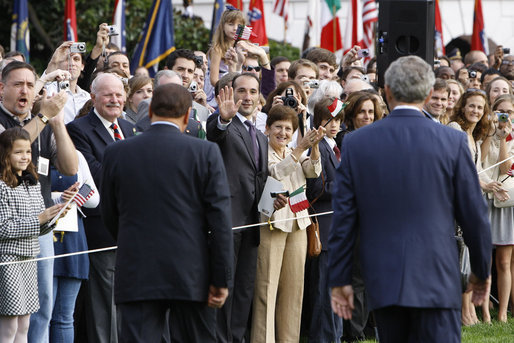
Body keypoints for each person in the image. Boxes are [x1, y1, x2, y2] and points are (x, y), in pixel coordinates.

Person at [329, 56, 492, 343]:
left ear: (387, 91)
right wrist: (481, 271)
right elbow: (473, 214)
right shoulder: (451, 141)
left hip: (384, 276)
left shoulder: (357, 142)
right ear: (429, 94)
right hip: (437, 275)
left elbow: (343, 219)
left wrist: (340, 279)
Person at [100, 83, 234, 342]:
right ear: (187, 116)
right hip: (193, 273)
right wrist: (221, 279)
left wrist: (133, 243)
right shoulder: (205, 151)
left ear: (149, 111)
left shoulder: (116, 152)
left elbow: (110, 213)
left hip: (137, 269)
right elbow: (220, 221)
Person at [207, 73, 286, 343]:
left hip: (254, 223)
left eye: (253, 91)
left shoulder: (261, 136)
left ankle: (237, 338)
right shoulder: (225, 124)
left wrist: (272, 200)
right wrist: (223, 118)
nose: (248, 97)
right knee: (225, 288)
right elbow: (213, 133)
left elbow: (259, 179)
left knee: (243, 290)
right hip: (227, 223)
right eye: (242, 91)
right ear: (231, 94)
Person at [66, 73, 136, 343]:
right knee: (104, 310)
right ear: (93, 97)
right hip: (102, 233)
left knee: (127, 306)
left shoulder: (129, 129)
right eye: (108, 94)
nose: (114, 100)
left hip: (132, 233)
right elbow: (95, 176)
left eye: (119, 95)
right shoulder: (78, 130)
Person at [251, 105, 323, 343]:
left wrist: (313, 146)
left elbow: (314, 171)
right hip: (271, 224)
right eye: (278, 127)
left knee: (294, 290)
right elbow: (275, 173)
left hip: (298, 224)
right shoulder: (263, 152)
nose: (283, 133)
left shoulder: (296, 150)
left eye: (288, 129)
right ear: (267, 128)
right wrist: (301, 147)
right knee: (267, 288)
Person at [448, 89, 506, 325]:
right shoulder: (454, 129)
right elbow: (456, 171)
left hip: (468, 199)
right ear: (462, 106)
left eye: (480, 108)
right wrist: (484, 185)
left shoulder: (474, 134)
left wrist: (500, 137)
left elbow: (476, 167)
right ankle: (463, 312)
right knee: (459, 255)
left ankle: (469, 311)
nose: (475, 111)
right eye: (471, 106)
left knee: (467, 256)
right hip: (455, 201)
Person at [0, 127, 64, 343]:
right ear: (5, 154)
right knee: (9, 325)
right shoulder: (1, 186)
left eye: (28, 152)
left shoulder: (31, 182)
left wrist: (54, 216)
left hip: (29, 258)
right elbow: (4, 228)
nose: (25, 157)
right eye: (18, 152)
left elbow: (40, 227)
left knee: (25, 322)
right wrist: (39, 219)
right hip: (8, 261)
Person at [303, 98, 344, 343]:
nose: (334, 125)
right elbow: (316, 189)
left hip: (337, 228)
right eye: (328, 120)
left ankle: (334, 336)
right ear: (317, 122)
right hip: (324, 227)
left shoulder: (333, 146)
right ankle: (324, 337)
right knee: (323, 291)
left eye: (337, 120)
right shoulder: (316, 147)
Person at [49, 150, 99, 343]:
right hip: (44, 238)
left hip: (72, 240)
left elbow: (93, 197)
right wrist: (59, 198)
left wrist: (74, 197)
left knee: (64, 317)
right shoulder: (32, 150)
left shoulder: (75, 155)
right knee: (41, 316)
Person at [485, 94, 514, 322]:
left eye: (509, 112)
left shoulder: (511, 138)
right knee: (483, 259)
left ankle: (503, 312)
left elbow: (505, 169)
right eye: (500, 112)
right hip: (485, 198)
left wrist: (505, 138)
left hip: (505, 201)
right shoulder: (484, 133)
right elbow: (481, 161)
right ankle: (484, 311)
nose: (504, 117)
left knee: (504, 261)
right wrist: (492, 134)